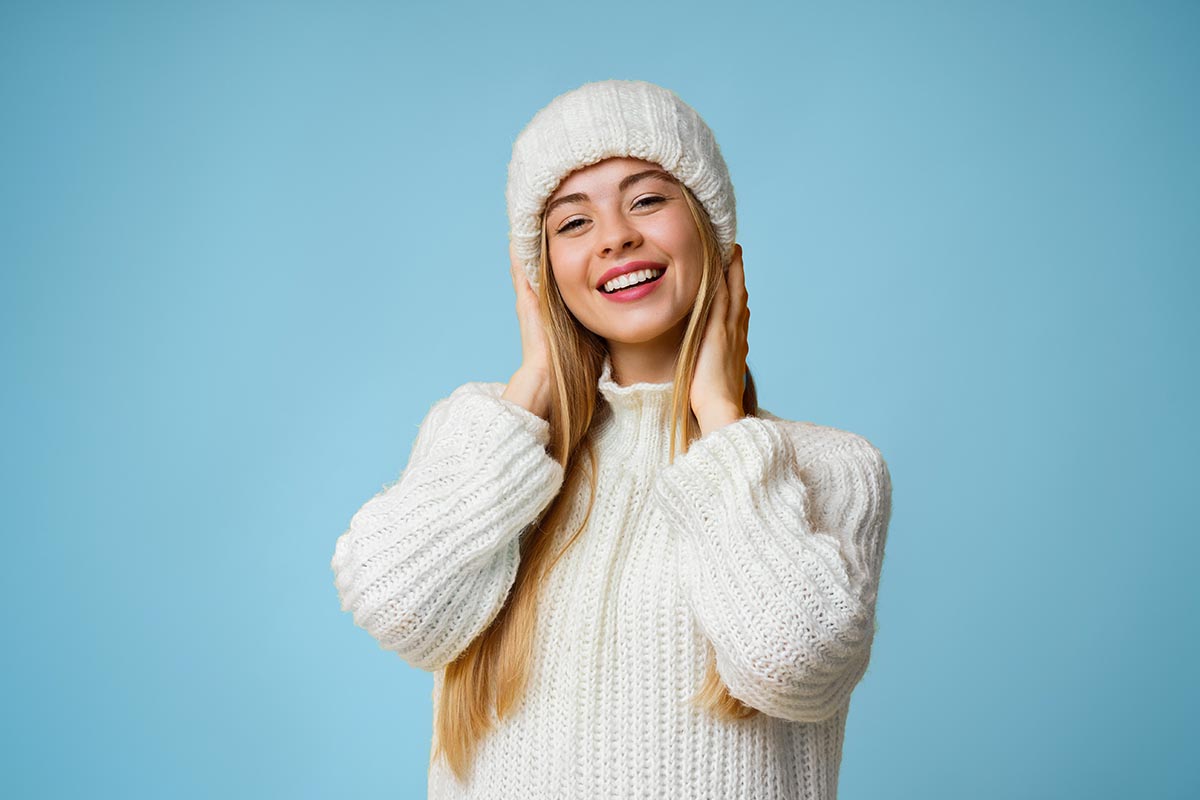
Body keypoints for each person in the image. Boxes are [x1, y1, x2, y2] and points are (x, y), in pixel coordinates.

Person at [330, 79, 893, 800]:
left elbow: (795, 662)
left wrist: (721, 415)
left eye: (648, 199)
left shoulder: (830, 469)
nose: (615, 236)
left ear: (711, 233)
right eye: (572, 223)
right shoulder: (489, 439)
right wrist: (534, 384)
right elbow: (395, 605)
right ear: (540, 275)